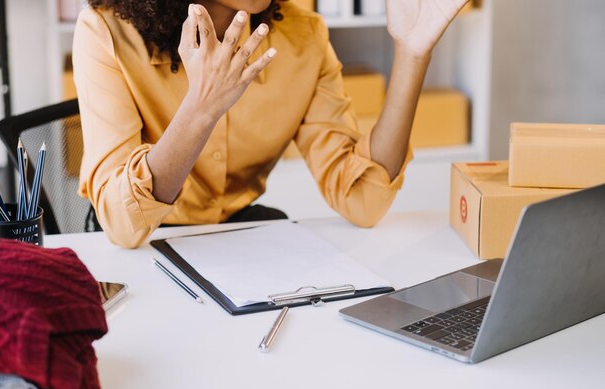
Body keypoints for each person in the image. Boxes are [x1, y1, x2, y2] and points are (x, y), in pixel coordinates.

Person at [73, 0, 469, 248]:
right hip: (141, 245)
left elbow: (362, 200)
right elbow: (123, 227)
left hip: (239, 240)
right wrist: (201, 107)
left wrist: (412, 52)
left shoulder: (304, 36)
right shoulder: (104, 31)